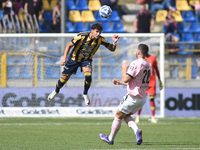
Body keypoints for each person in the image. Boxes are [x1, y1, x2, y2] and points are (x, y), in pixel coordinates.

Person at [47, 23, 120, 106]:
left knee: (88, 76)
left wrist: (114, 43)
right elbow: (69, 46)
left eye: (100, 32)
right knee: (64, 79)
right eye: (96, 32)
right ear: (92, 31)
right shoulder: (81, 36)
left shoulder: (100, 40)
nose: (98, 34)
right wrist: (64, 58)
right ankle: (56, 90)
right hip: (73, 59)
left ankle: (85, 93)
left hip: (86, 60)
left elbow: (112, 49)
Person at [99, 44, 151, 145]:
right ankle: (137, 131)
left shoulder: (135, 63)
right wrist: (120, 83)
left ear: (138, 52)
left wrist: (124, 68)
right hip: (142, 98)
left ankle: (110, 138)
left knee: (118, 115)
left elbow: (126, 78)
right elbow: (135, 81)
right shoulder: (147, 65)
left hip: (133, 97)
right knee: (126, 115)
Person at [135, 52, 163, 124]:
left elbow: (156, 69)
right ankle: (137, 117)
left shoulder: (153, 58)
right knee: (141, 100)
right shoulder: (141, 59)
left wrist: (160, 80)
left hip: (152, 82)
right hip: (143, 82)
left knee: (152, 99)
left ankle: (153, 117)